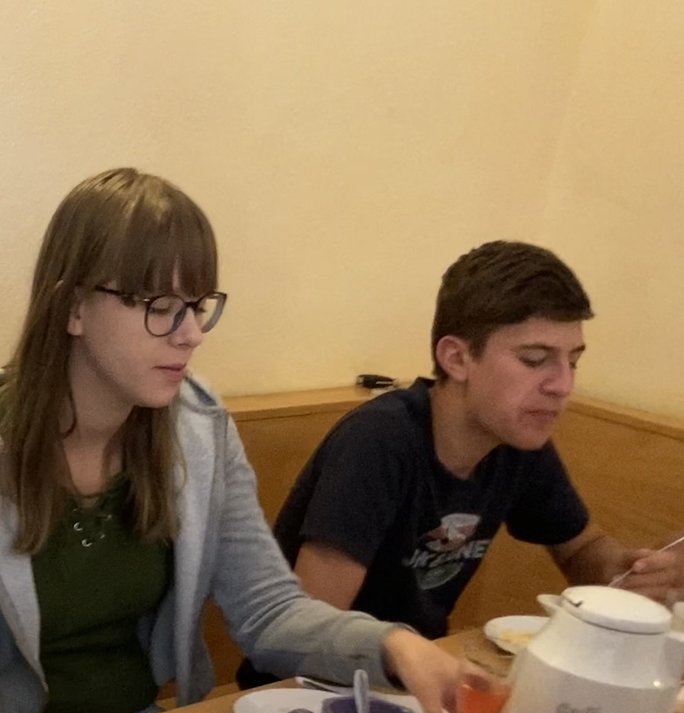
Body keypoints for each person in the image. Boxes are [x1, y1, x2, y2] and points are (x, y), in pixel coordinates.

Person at [0, 168, 458, 713]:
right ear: (73, 307)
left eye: (197, 307)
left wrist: (395, 646)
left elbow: (268, 611)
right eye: (161, 307)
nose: (191, 334)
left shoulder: (198, 429)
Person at [268, 240, 683, 644]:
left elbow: (582, 549)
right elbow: (311, 633)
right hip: (319, 681)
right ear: (456, 358)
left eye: (573, 361)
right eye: (535, 360)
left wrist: (631, 571)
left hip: (421, 673)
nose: (563, 385)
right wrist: (409, 660)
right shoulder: (379, 440)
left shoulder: (516, 439)